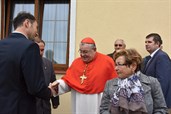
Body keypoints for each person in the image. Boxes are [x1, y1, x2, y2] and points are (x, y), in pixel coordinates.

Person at [0, 11, 53, 114]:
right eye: (36, 27)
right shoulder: (30, 47)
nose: (37, 32)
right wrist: (50, 92)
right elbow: (35, 87)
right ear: (27, 23)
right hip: (20, 109)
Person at [50, 37, 118, 114]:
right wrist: (58, 85)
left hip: (98, 102)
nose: (82, 55)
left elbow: (114, 84)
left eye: (85, 52)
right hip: (79, 102)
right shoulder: (76, 63)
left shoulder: (107, 61)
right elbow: (69, 81)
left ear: (94, 50)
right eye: (81, 51)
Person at [100, 48, 167, 114]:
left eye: (119, 65)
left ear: (133, 66)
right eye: (115, 65)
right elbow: (104, 109)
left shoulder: (152, 82)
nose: (116, 68)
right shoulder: (110, 84)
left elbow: (161, 109)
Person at [141, 33, 171, 111]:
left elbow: (163, 81)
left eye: (149, 42)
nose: (146, 44)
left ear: (157, 44)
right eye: (146, 42)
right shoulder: (150, 58)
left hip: (160, 103)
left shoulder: (161, 56)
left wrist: (157, 102)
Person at [34, 38, 60, 114]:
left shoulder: (48, 64)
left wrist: (55, 101)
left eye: (42, 50)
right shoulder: (26, 63)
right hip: (32, 107)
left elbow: (53, 82)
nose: (40, 53)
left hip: (45, 107)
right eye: (38, 50)